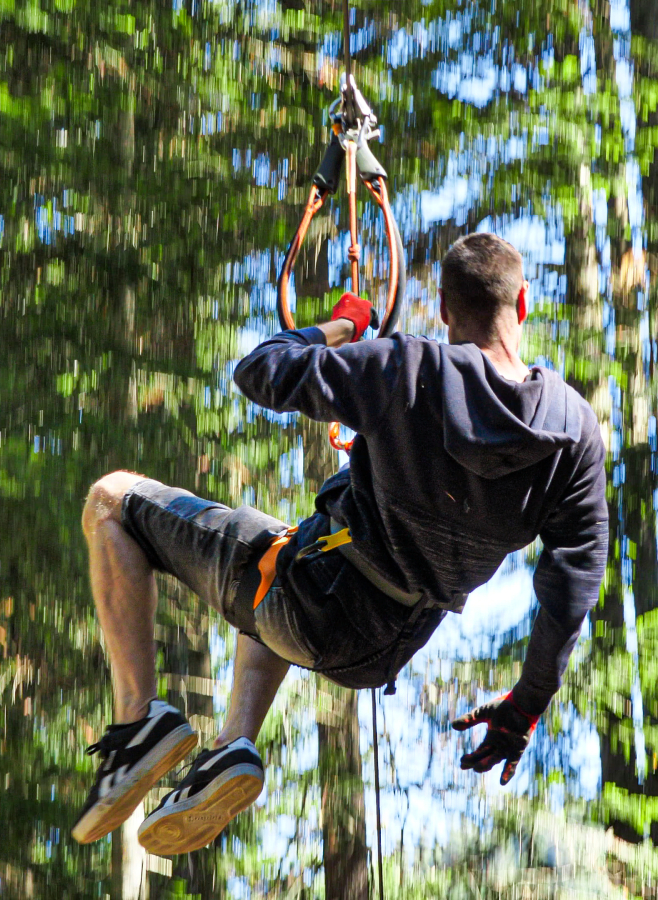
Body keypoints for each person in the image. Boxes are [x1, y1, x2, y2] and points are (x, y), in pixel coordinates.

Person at [72, 232, 609, 856]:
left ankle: (139, 721)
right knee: (276, 547)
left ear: (442, 310)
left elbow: (260, 371)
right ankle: (231, 747)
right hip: (384, 648)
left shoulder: (408, 367)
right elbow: (572, 591)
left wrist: (338, 326)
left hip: (315, 602)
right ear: (521, 307)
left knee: (111, 500)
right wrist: (524, 706)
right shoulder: (573, 432)